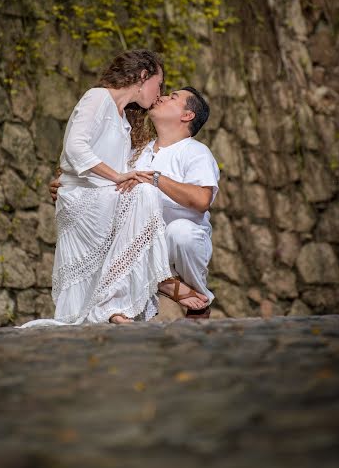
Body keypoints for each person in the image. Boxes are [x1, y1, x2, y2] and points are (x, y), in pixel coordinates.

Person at [21, 49, 176, 328]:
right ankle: (116, 305)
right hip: (82, 199)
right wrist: (118, 177)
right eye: (159, 83)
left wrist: (124, 177)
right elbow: (75, 148)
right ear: (143, 76)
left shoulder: (122, 119)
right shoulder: (98, 97)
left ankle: (113, 304)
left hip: (100, 196)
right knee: (145, 193)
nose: (160, 91)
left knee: (143, 192)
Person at [50, 86, 219, 319]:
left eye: (172, 97)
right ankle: (153, 283)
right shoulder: (136, 152)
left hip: (175, 246)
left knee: (181, 233)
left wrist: (157, 180)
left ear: (187, 115)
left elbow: (201, 200)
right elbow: (107, 185)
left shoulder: (195, 152)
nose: (161, 97)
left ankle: (195, 297)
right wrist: (69, 188)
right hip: (135, 241)